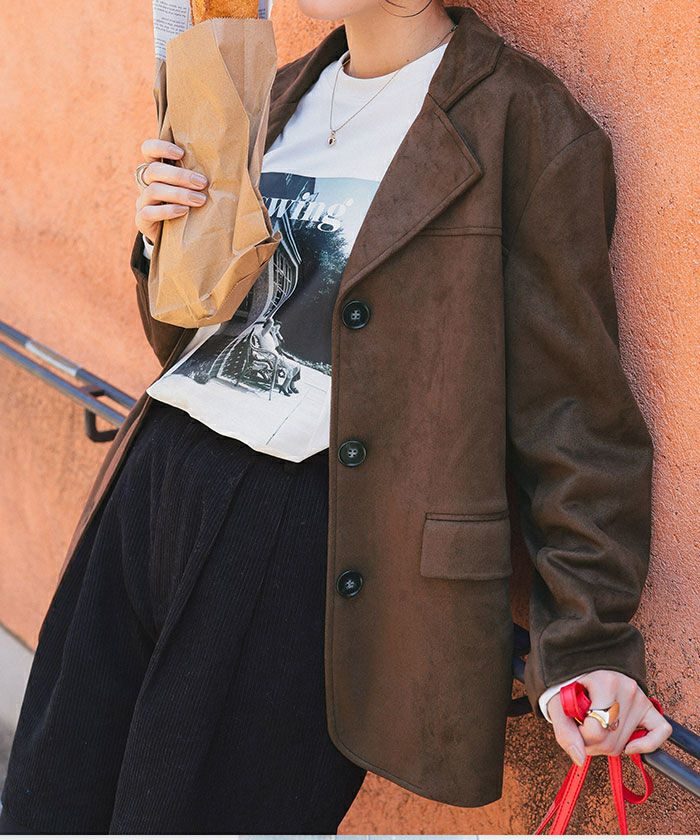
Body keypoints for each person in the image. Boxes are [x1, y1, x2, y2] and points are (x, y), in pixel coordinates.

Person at [0, 0, 672, 834]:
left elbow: (572, 411)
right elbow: (189, 337)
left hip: (299, 538)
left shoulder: (524, 125)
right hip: (149, 485)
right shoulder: (278, 89)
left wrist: (590, 640)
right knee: (47, 805)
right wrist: (160, 238)